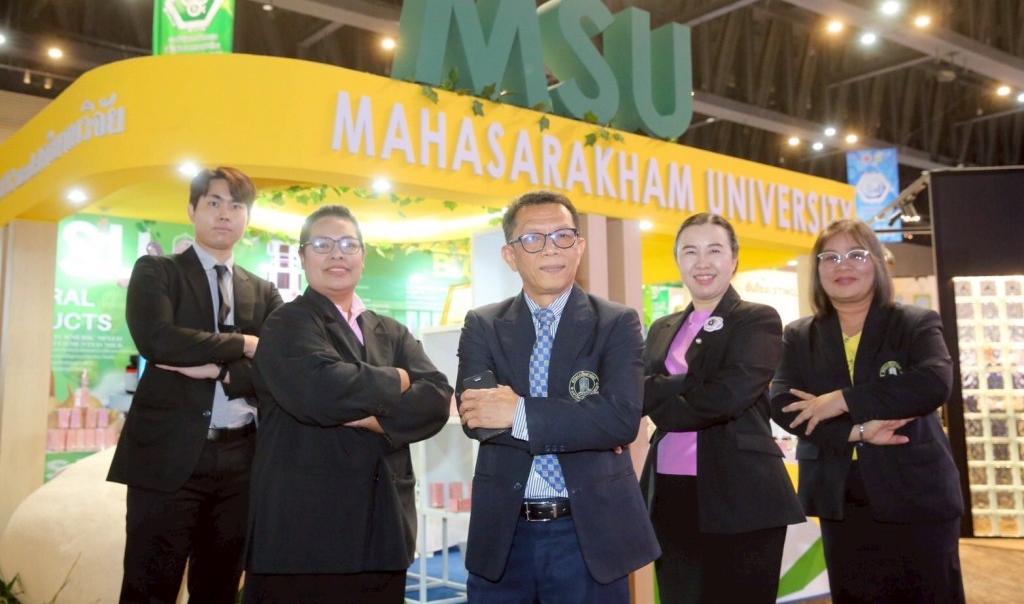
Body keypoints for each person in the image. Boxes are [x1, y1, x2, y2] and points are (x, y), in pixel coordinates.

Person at [456, 189, 659, 603]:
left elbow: (621, 419)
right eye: (533, 238)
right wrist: (585, 423)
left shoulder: (616, 322)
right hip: (505, 535)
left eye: (563, 236)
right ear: (510, 255)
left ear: (579, 247)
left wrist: (518, 412)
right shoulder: (483, 324)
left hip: (590, 535)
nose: (551, 248)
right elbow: (478, 418)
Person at [244, 204, 452, 604]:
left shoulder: (391, 331)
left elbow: (437, 399)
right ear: (302, 256)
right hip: (304, 536)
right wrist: (399, 379)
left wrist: (376, 419)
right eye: (322, 244)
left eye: (347, 244)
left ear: (363, 255)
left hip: (383, 530)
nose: (336, 254)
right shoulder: (287, 322)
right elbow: (321, 391)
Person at [108, 166, 283, 603]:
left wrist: (221, 370)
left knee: (220, 589)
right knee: (149, 589)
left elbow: (280, 367)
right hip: (167, 457)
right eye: (213, 203)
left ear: (247, 217)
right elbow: (158, 340)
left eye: (236, 206)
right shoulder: (157, 271)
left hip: (242, 460)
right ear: (192, 210)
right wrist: (244, 343)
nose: (225, 214)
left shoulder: (264, 292)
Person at [770, 219, 965, 604]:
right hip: (842, 498)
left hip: (917, 494)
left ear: (876, 262)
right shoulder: (799, 335)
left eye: (856, 255)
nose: (843, 265)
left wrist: (842, 400)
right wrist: (854, 432)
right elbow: (783, 404)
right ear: (818, 270)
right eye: (830, 257)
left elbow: (932, 383)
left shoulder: (913, 322)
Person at [640, 213, 805, 603]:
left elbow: (728, 395)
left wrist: (664, 400)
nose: (702, 262)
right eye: (690, 251)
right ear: (678, 260)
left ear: (734, 259)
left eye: (714, 250)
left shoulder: (756, 318)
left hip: (741, 493)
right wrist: (692, 383)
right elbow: (639, 392)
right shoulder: (662, 327)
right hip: (668, 493)